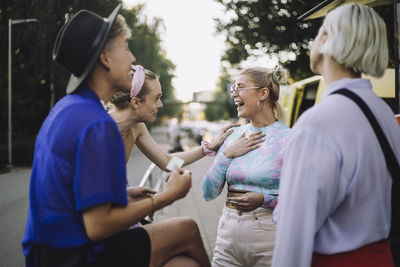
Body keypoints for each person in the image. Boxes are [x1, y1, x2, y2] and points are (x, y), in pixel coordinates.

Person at [22, 5, 210, 267]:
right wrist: (166, 197)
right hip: (76, 254)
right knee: (187, 229)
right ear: (106, 58)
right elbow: (98, 226)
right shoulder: (97, 125)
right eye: (125, 47)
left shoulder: (69, 109)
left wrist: (206, 149)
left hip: (46, 252)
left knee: (183, 264)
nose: (132, 56)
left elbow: (166, 162)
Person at [272, 4, 400, 267]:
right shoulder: (385, 113)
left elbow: (292, 238)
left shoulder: (317, 122)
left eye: (319, 32)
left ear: (327, 39)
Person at [202, 66, 291, 266]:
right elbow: (207, 192)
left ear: (263, 94)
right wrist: (226, 154)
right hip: (227, 234)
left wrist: (264, 200)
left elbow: (301, 200)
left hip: (270, 237)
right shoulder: (232, 136)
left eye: (240, 87)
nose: (234, 93)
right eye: (233, 87)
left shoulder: (290, 139)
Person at [108, 65, 242, 172]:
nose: (160, 105)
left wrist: (208, 148)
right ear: (136, 103)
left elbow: (167, 163)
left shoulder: (137, 127)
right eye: (156, 98)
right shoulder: (95, 128)